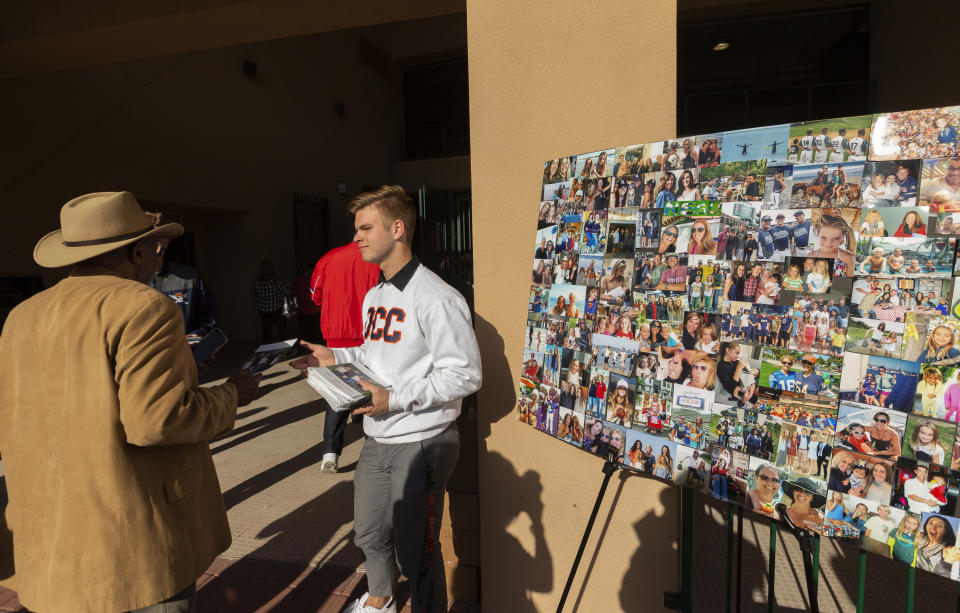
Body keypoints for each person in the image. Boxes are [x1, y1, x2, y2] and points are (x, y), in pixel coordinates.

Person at [0, 191, 261, 612]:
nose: (160, 258)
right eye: (157, 248)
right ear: (137, 252)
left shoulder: (22, 315)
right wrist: (233, 395)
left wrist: (184, 367)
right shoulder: (144, 307)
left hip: (48, 530)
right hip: (130, 537)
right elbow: (158, 421)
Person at [291, 187, 482, 613]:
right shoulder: (375, 295)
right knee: (369, 534)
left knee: (417, 549)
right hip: (378, 436)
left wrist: (394, 399)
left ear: (398, 229)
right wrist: (335, 356)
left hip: (423, 440)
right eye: (355, 228)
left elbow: (465, 374)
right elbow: (375, 355)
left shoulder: (438, 297)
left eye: (365, 228)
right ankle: (381, 602)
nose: (356, 237)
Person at [308, 242, 382, 472]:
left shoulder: (330, 257)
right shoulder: (379, 257)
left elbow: (315, 296)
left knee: (337, 395)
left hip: (338, 336)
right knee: (375, 389)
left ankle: (330, 453)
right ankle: (375, 446)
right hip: (371, 335)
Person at [151, 228, 218, 342]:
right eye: (149, 238)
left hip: (185, 355)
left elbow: (208, 318)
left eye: (160, 237)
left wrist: (192, 340)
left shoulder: (190, 278)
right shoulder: (126, 281)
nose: (156, 245)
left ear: (167, 241)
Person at [251, 260, 297, 343]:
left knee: (267, 330)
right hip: (276, 309)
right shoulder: (275, 280)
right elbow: (287, 292)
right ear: (271, 269)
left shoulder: (255, 281)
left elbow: (253, 294)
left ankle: (266, 350)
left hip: (262, 310)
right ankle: (283, 349)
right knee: (282, 330)